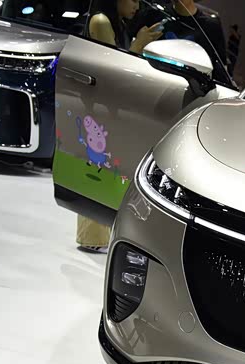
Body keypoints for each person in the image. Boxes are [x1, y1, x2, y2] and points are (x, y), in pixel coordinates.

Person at [76, 0, 161, 253]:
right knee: (99, 168)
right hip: (102, 109)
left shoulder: (114, 22)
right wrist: (138, 45)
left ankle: (96, 236)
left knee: (102, 168)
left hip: (105, 107)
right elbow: (114, 70)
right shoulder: (101, 21)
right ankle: (93, 236)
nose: (137, 5)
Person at [131, 0, 229, 83]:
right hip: (152, 81)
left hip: (192, 89)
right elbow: (134, 48)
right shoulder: (154, 14)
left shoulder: (210, 26)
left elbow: (220, 68)